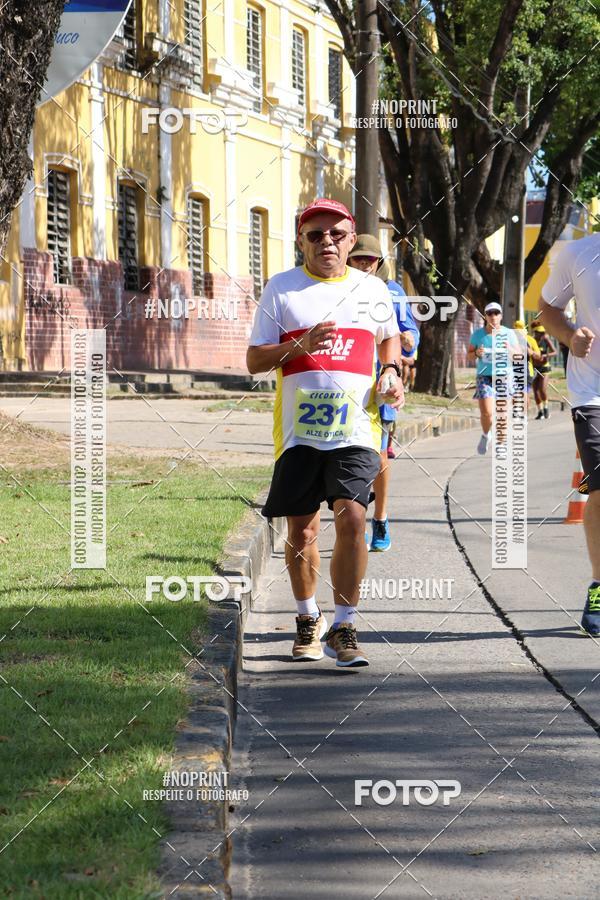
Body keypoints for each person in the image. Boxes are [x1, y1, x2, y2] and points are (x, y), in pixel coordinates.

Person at [246, 199, 403, 667]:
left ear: (351, 240)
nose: (327, 242)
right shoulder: (282, 288)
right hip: (299, 433)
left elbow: (388, 337)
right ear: (301, 241)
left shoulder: (372, 288)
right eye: (315, 234)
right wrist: (300, 344)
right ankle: (307, 617)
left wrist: (391, 371)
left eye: (336, 234)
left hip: (356, 428)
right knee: (303, 529)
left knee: (353, 518)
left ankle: (345, 625)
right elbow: (254, 361)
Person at [539, 233, 600, 636]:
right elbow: (548, 308)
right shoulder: (580, 253)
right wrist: (569, 336)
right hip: (593, 393)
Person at [347, 235, 419, 551]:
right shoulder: (339, 289)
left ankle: (380, 518)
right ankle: (356, 522)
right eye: (358, 258)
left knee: (377, 456)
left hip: (382, 385)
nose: (364, 264)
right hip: (349, 386)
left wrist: (409, 340)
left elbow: (410, 330)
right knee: (351, 455)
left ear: (379, 262)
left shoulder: (392, 291)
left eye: (369, 259)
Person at [468, 302, 520, 455]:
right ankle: (486, 434)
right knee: (487, 413)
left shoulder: (509, 334)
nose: (493, 316)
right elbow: (469, 355)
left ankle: (501, 444)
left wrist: (509, 349)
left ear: (501, 316)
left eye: (496, 313)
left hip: (504, 377)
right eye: (490, 313)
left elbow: (518, 356)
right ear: (485, 316)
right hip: (484, 376)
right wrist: (476, 353)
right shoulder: (478, 335)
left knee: (502, 413)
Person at [530, 322, 558, 419]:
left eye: (543, 332)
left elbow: (555, 352)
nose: (542, 334)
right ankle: (540, 411)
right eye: (540, 332)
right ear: (535, 332)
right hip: (534, 368)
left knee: (542, 389)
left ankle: (546, 408)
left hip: (544, 368)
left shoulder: (546, 339)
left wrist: (546, 355)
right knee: (535, 391)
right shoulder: (530, 340)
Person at [513, 319, 543, 407]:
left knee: (524, 396)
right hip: (512, 372)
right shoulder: (510, 339)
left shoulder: (530, 340)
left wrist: (531, 352)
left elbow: (538, 355)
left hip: (526, 372)